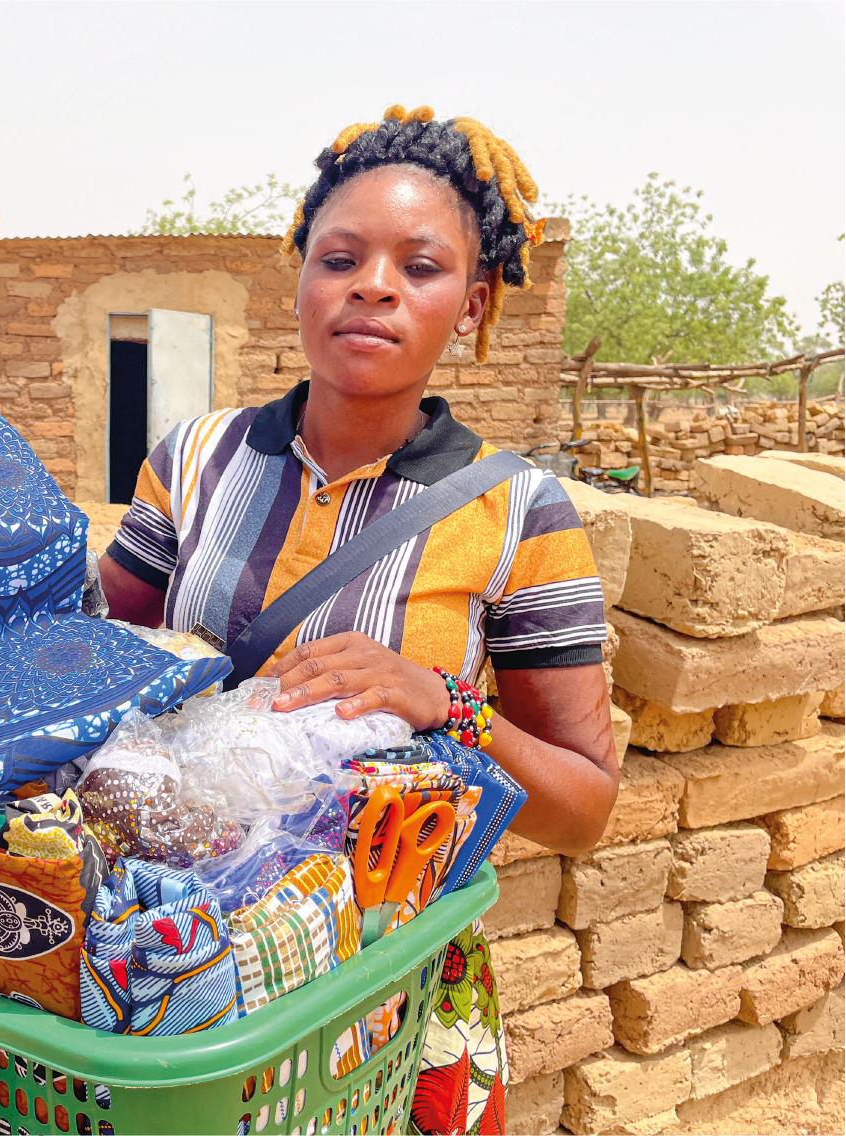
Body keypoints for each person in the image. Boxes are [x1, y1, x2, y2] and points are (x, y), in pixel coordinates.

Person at [100, 106, 613, 1136]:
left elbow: (582, 807)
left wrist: (446, 703)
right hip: (172, 969)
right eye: (341, 256)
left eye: (419, 269)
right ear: (298, 277)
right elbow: (94, 657)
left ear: (471, 306)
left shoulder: (518, 513)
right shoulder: (194, 458)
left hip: (382, 996)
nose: (373, 284)